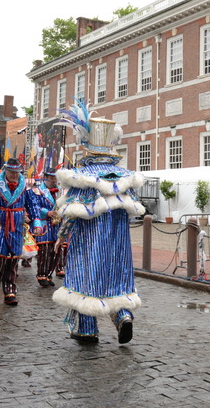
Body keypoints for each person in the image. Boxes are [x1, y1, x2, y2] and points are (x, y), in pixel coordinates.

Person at [53, 100, 145, 343]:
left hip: (89, 239)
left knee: (86, 277)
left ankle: (85, 328)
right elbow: (133, 209)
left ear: (87, 148)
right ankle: (123, 315)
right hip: (118, 240)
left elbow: (73, 212)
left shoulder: (83, 177)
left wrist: (62, 235)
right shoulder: (123, 177)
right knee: (116, 276)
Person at [0, 158, 44, 305]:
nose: (14, 175)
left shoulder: (25, 186)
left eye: (17, 172)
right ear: (6, 170)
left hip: (17, 226)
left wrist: (36, 222)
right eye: (11, 172)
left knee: (13, 259)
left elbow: (32, 206)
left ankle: (10, 291)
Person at [29, 169, 60, 287]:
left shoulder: (59, 192)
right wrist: (47, 213)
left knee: (55, 252)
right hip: (44, 225)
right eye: (52, 178)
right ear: (46, 177)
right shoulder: (38, 191)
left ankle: (49, 274)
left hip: (56, 226)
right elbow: (34, 207)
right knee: (45, 251)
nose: (54, 180)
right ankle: (41, 275)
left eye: (55, 178)